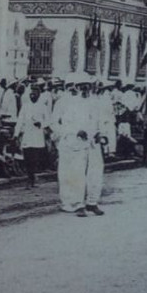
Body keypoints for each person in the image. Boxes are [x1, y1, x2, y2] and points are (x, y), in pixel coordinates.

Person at [54, 84, 92, 215]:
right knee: (64, 174)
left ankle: (79, 203)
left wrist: (87, 133)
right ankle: (66, 202)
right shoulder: (61, 103)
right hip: (66, 143)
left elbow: (91, 122)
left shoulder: (86, 103)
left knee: (79, 174)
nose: (79, 89)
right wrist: (68, 133)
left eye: (82, 87)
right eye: (75, 86)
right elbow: (54, 123)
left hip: (81, 144)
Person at [14, 84, 49, 188]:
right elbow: (20, 121)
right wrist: (16, 134)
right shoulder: (25, 106)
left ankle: (32, 178)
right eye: (31, 93)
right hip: (27, 135)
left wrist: (41, 124)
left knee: (34, 158)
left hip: (37, 136)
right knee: (27, 157)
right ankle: (30, 178)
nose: (32, 95)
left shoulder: (43, 106)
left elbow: (48, 120)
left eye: (35, 93)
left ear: (39, 94)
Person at [84, 83, 109, 215]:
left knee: (96, 172)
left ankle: (92, 202)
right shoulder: (74, 103)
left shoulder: (96, 103)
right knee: (78, 174)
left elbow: (100, 121)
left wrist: (101, 134)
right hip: (78, 142)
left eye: (89, 87)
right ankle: (78, 204)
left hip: (93, 142)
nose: (88, 89)